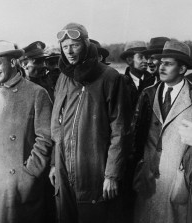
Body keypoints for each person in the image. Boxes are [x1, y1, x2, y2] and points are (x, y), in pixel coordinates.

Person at [49, 22, 131, 223]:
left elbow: (120, 130)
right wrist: (53, 163)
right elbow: (57, 125)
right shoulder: (63, 78)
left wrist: (112, 174)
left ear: (86, 44)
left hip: (94, 171)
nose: (69, 51)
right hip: (63, 169)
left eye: (75, 45)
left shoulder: (109, 77)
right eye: (65, 46)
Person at [0, 40, 53, 223]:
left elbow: (45, 138)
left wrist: (28, 175)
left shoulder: (37, 93)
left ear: (13, 62)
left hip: (18, 186)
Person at [131, 40, 192, 223]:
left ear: (183, 69)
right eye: (161, 63)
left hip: (179, 186)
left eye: (168, 63)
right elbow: (134, 139)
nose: (161, 67)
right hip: (146, 183)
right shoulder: (147, 94)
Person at [120, 41, 155, 110]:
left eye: (146, 57)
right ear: (129, 60)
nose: (145, 61)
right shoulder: (120, 83)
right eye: (140, 57)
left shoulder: (153, 81)